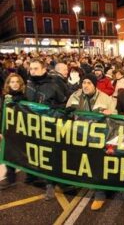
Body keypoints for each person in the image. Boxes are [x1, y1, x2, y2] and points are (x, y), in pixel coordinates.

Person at [66, 73, 116, 211]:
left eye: (89, 83)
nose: (85, 85)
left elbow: (115, 116)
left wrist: (109, 113)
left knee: (96, 165)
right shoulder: (74, 96)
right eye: (84, 83)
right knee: (81, 162)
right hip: (79, 136)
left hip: (97, 138)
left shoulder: (105, 98)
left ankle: (99, 194)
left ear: (94, 85)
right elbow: (67, 114)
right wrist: (67, 112)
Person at [26, 58, 67, 200]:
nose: (32, 71)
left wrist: (56, 110)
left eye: (36, 68)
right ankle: (32, 174)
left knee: (49, 155)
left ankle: (50, 184)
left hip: (48, 126)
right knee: (34, 151)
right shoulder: (28, 83)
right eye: (31, 68)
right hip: (32, 126)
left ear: (44, 70)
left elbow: (64, 103)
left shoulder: (54, 85)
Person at [0, 73, 26, 190]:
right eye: (12, 82)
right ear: (8, 84)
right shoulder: (4, 98)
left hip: (21, 132)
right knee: (8, 154)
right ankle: (10, 178)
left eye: (17, 82)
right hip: (7, 132)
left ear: (20, 84)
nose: (15, 84)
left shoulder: (24, 98)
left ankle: (32, 176)